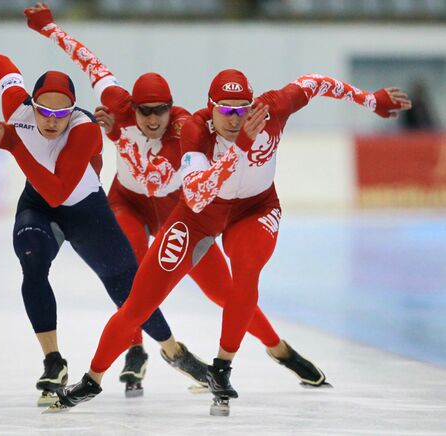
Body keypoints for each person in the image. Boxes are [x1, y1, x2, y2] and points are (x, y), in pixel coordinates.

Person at [46, 67, 411, 415]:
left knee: (246, 271)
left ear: (252, 105)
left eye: (241, 111)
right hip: (197, 215)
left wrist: (370, 100)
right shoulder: (194, 129)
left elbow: (316, 83)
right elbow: (197, 194)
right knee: (138, 305)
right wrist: (240, 149)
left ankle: (221, 367)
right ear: (211, 107)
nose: (234, 120)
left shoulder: (273, 109)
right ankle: (92, 380)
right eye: (225, 111)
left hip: (253, 210)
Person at [24, 2, 330, 397]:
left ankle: (279, 350)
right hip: (128, 202)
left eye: (161, 112)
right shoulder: (118, 107)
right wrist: (49, 28)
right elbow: (88, 61)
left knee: (225, 293)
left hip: (176, 212)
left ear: (173, 109)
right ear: (131, 107)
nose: (152, 121)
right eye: (145, 112)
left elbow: (216, 174)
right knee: (131, 278)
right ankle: (135, 350)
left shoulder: (186, 130)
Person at [0, 42, 208, 406]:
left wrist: (13, 145)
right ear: (30, 104)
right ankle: (53, 361)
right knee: (32, 259)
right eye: (44, 110)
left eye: (61, 114)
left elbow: (60, 192)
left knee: (130, 292)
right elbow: (1, 62)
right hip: (38, 206)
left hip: (83, 209)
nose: (51, 121)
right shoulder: (16, 108)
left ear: (73, 111)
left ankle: (173, 351)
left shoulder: (85, 130)